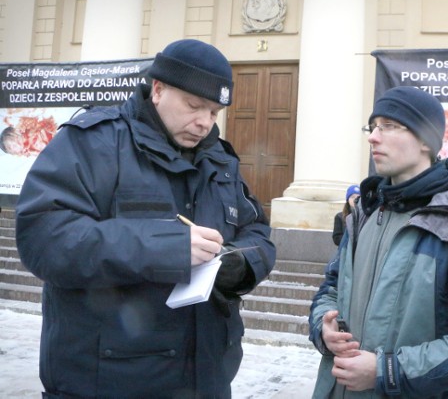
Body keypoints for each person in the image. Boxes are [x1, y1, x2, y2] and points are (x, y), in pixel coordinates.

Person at [15, 39, 276, 398]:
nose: (204, 122)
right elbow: (45, 239)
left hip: (206, 381)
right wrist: (165, 248)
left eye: (214, 112)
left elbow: (257, 231)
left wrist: (240, 263)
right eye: (194, 105)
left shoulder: (220, 160)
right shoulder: (95, 142)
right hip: (108, 382)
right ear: (158, 90)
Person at [308, 86, 448, 398]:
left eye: (389, 126)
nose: (373, 137)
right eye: (373, 127)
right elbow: (330, 289)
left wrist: (386, 371)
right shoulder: (364, 213)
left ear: (426, 140)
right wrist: (323, 329)